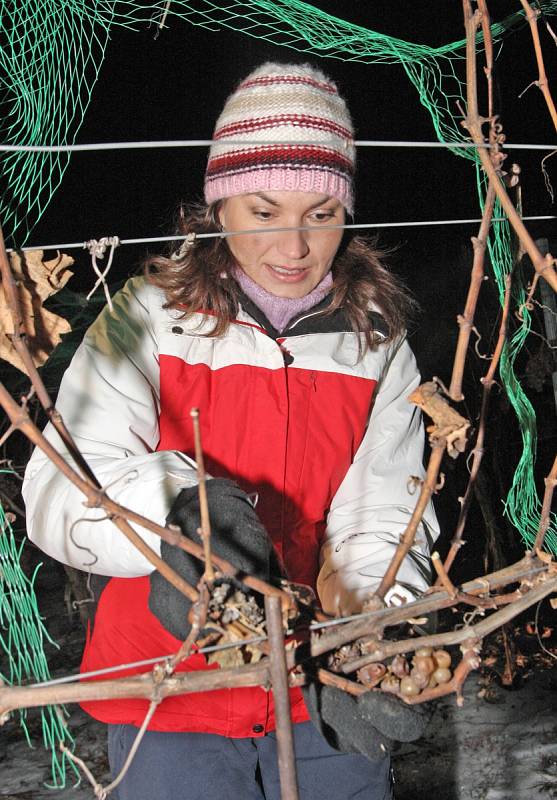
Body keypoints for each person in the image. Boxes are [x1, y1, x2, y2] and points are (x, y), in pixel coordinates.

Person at [23, 62, 438, 799]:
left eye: (321, 214)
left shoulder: (376, 343)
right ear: (219, 204)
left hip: (320, 693)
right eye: (264, 209)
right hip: (165, 688)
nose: (293, 246)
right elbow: (62, 491)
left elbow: (381, 517)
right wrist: (186, 520)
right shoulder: (147, 317)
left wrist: (371, 637)